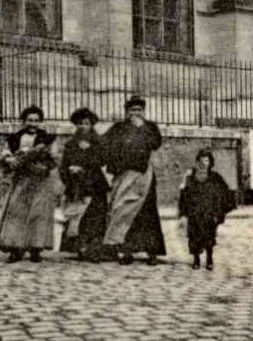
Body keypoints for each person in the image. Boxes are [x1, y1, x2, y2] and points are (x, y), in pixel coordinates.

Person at [100, 95, 166, 264]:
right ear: (126, 112)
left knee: (147, 215)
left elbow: (155, 143)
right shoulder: (118, 128)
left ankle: (151, 253)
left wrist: (142, 127)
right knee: (123, 212)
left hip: (143, 177)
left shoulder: (149, 127)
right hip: (123, 175)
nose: (136, 113)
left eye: (139, 110)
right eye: (132, 110)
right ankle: (125, 251)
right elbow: (104, 145)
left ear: (143, 112)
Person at [0, 106, 59, 263]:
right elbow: (5, 153)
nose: (33, 123)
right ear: (24, 121)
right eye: (30, 120)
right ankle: (15, 249)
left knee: (38, 214)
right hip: (22, 180)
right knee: (17, 212)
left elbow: (55, 158)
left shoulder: (47, 138)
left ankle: (36, 249)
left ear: (40, 122)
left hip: (40, 180)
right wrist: (9, 159)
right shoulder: (15, 138)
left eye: (36, 120)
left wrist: (45, 162)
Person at [58, 107, 110, 260]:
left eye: (86, 123)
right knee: (77, 218)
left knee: (95, 218)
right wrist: (69, 174)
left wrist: (84, 165)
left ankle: (95, 250)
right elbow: (63, 165)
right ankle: (80, 247)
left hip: (95, 185)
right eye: (80, 123)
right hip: (77, 185)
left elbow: (103, 160)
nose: (83, 126)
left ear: (91, 125)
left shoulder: (99, 143)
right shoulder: (70, 144)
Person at [177, 148, 236, 270]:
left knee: (209, 237)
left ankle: (209, 259)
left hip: (209, 213)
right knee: (194, 237)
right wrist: (183, 213)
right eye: (202, 160)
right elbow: (184, 195)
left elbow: (224, 192)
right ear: (198, 161)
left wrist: (219, 211)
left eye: (207, 160)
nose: (205, 163)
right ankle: (196, 259)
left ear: (211, 162)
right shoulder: (191, 176)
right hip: (195, 213)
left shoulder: (215, 177)